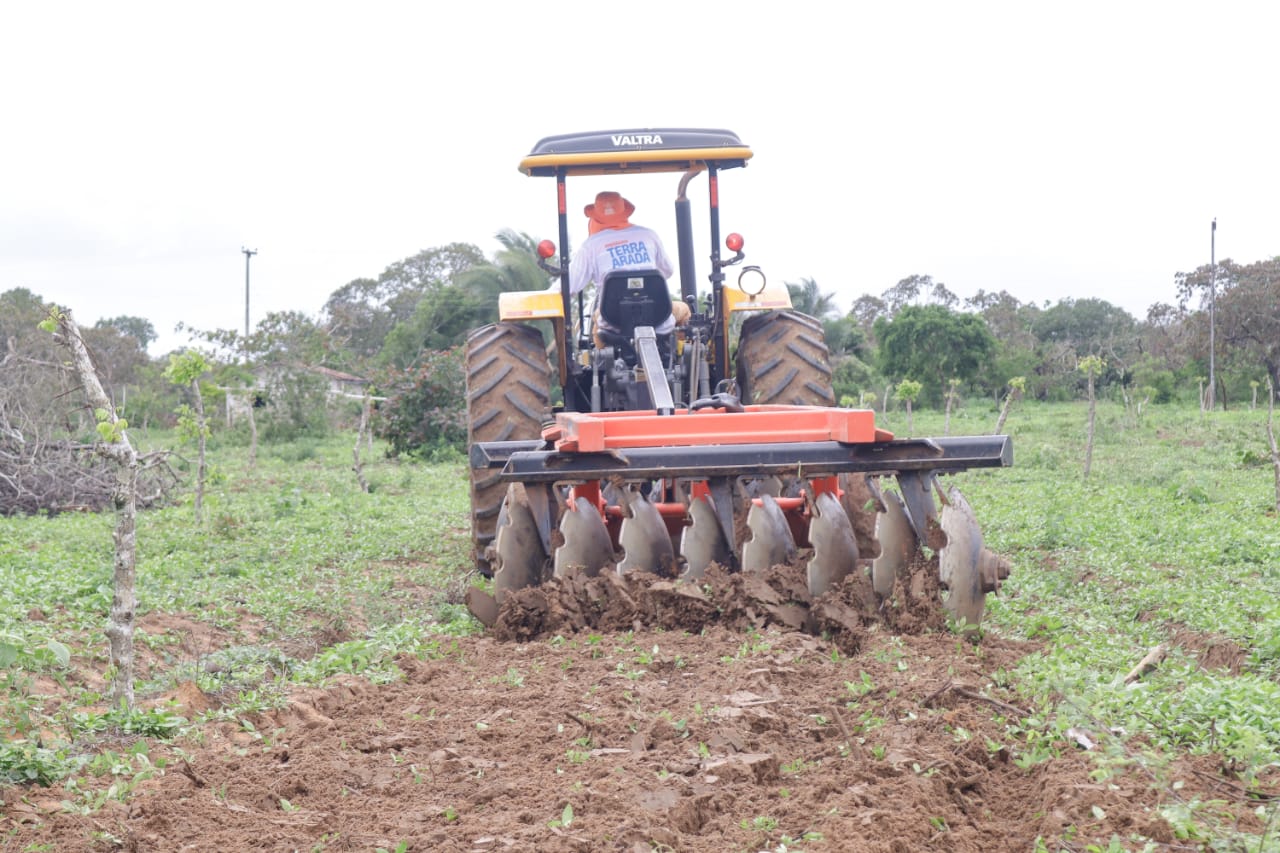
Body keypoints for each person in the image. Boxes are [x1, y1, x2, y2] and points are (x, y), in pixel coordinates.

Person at [569, 191, 690, 338]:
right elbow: (668, 271)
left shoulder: (591, 246)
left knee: (595, 325)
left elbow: (569, 286)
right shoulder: (649, 235)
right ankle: (677, 353)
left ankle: (602, 357)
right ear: (624, 212)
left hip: (612, 322)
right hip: (658, 318)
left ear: (595, 218)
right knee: (684, 310)